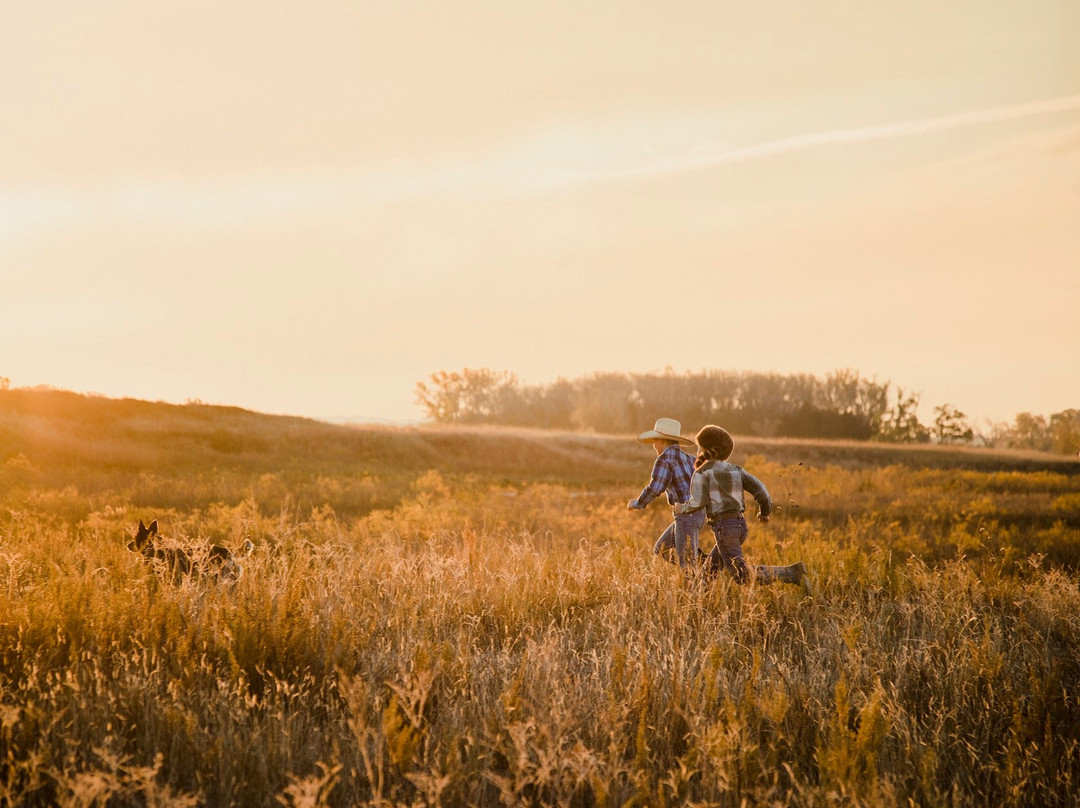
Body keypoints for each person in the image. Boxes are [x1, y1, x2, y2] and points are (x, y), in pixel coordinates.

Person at [675, 425, 811, 594]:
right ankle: (697, 605)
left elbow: (697, 502)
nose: (697, 451)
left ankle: (791, 573)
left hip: (724, 529)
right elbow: (761, 491)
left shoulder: (702, 473)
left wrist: (681, 508)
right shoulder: (736, 470)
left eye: (699, 447)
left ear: (706, 448)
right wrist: (764, 512)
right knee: (708, 573)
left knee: (742, 575)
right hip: (740, 526)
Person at [627, 417, 706, 568]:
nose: (654, 446)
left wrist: (637, 503)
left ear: (662, 441)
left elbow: (656, 487)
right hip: (698, 514)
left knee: (688, 567)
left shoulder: (664, 459)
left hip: (685, 515)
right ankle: (707, 567)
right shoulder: (690, 459)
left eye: (655, 442)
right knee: (661, 548)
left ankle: (701, 576)